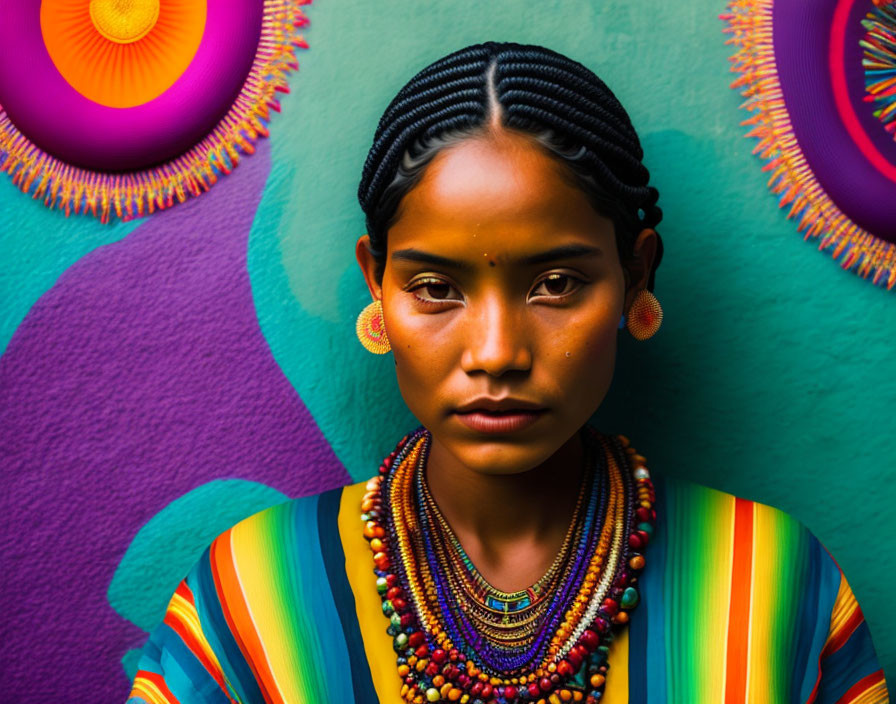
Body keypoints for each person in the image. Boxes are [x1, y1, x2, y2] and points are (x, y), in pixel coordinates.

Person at [125, 41, 889, 704]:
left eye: (556, 284)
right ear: (376, 288)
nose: (496, 351)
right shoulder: (253, 596)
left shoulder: (774, 584)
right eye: (435, 289)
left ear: (636, 278)